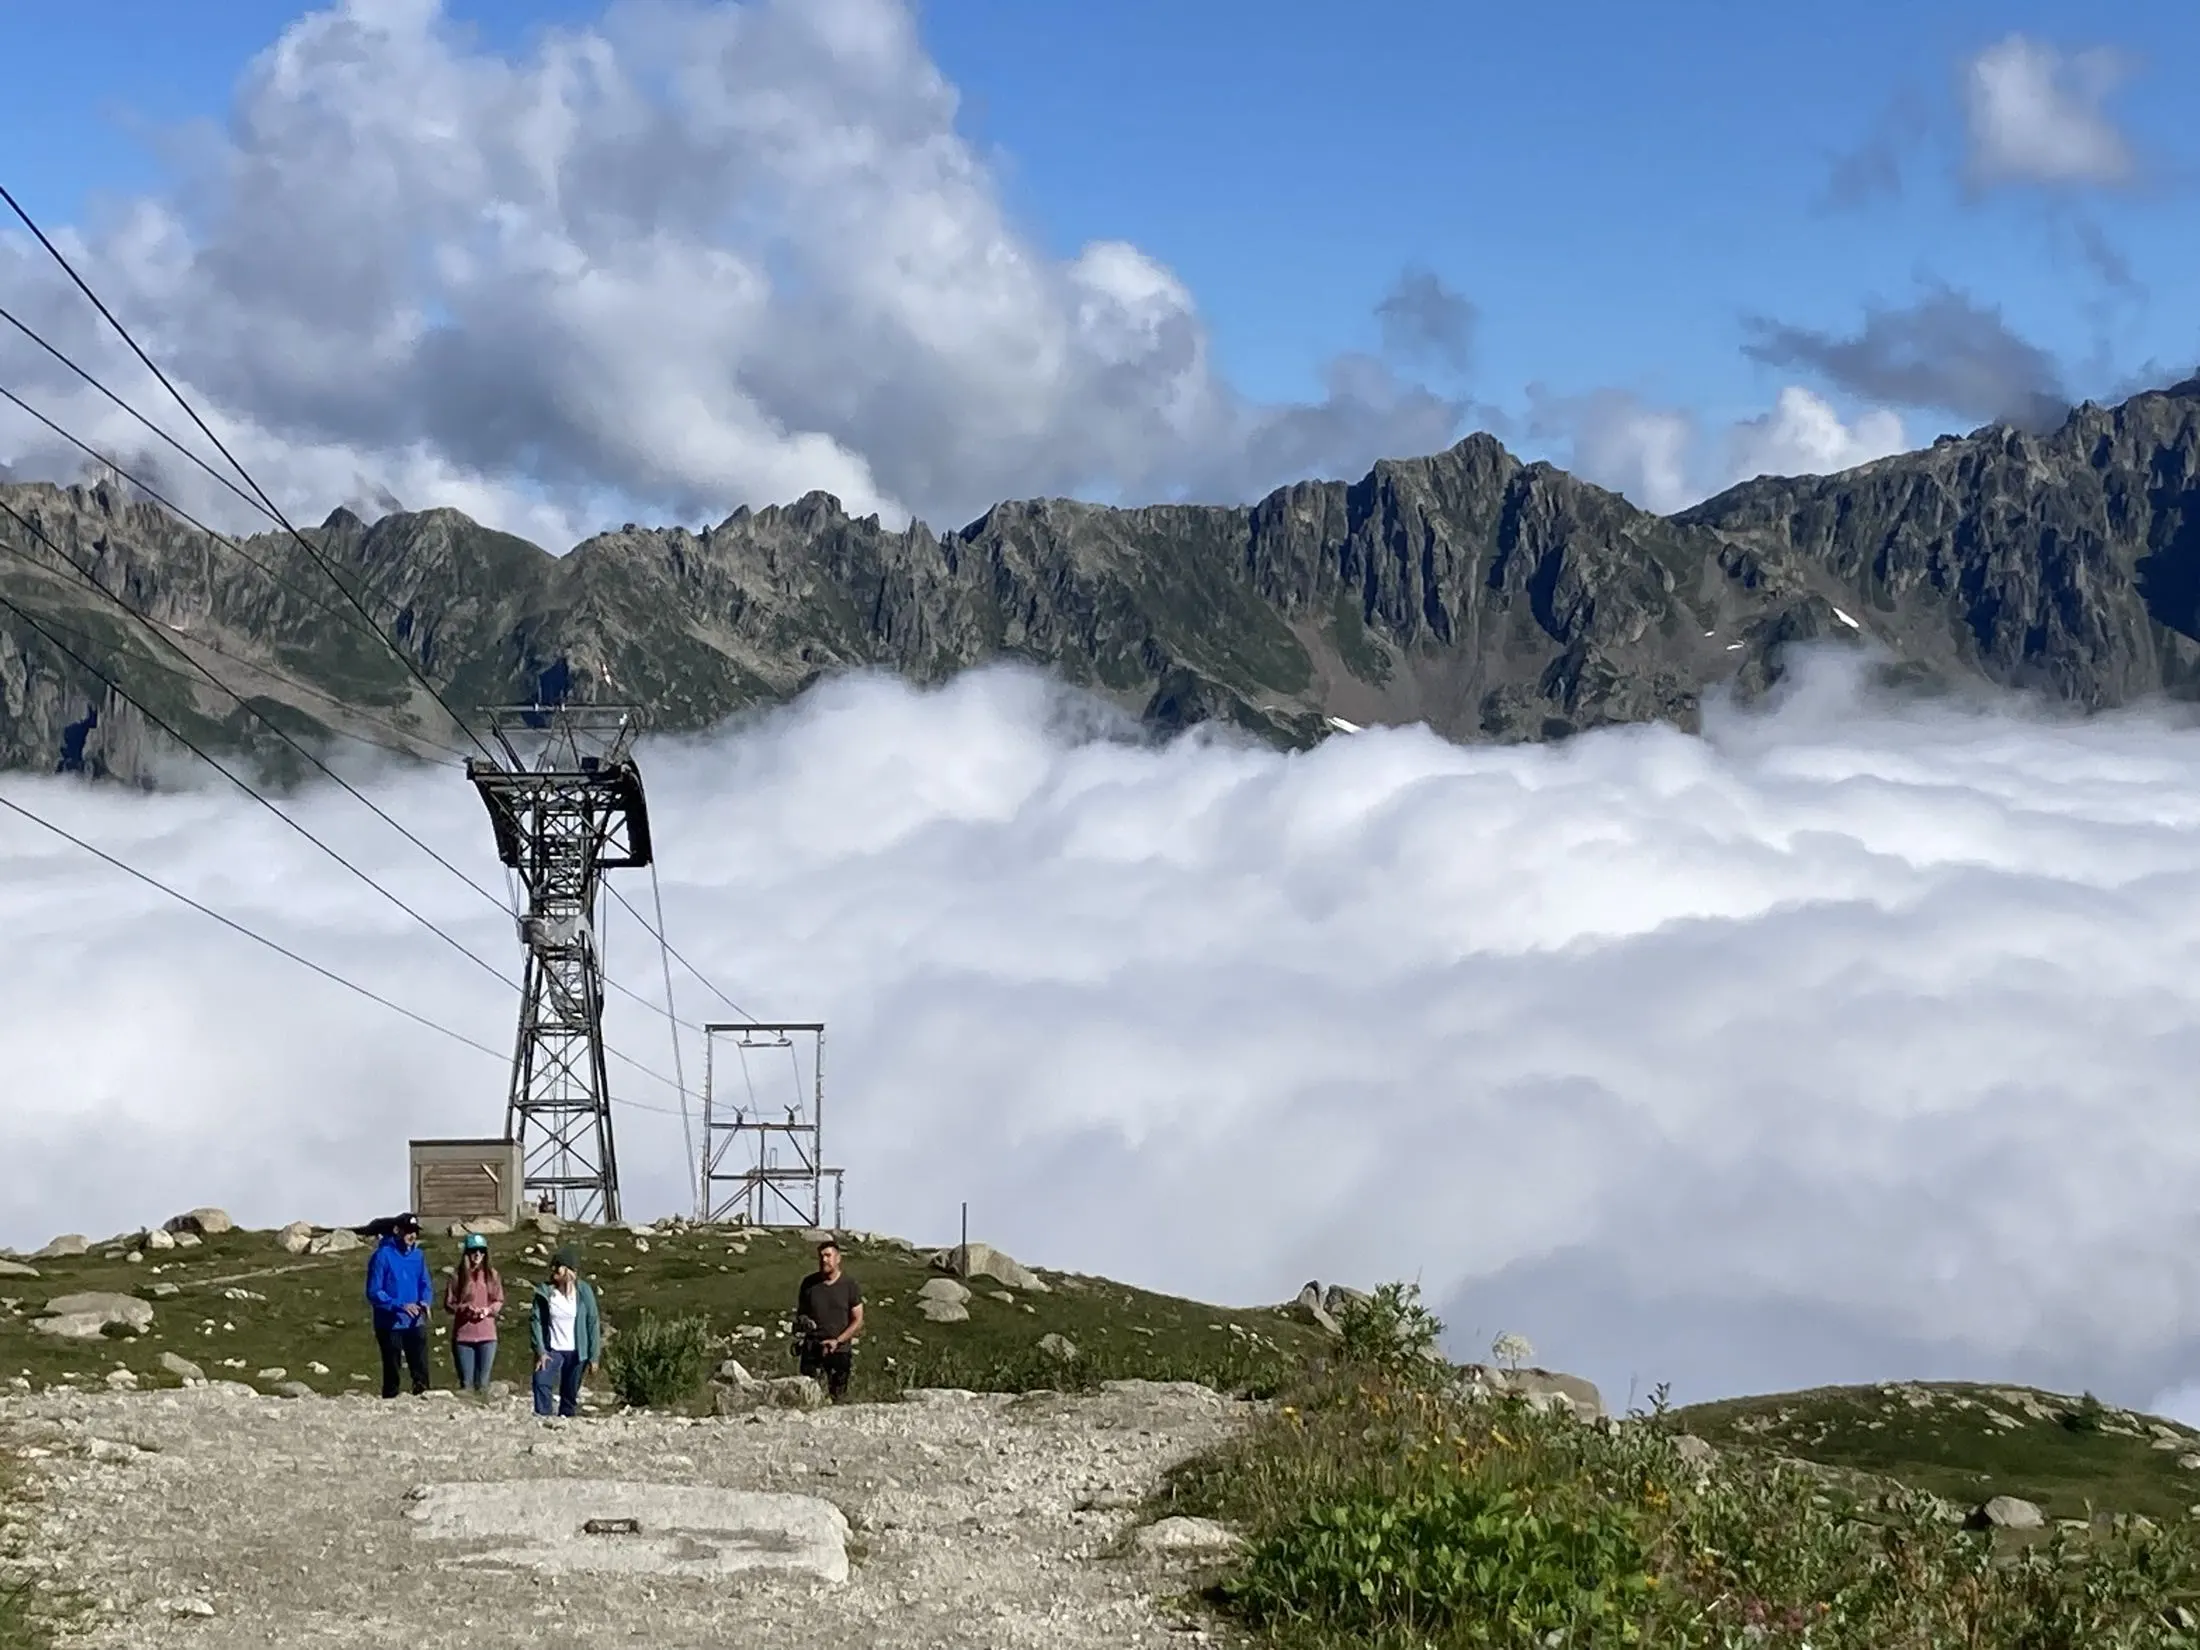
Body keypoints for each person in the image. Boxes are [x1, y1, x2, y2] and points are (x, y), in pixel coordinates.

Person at [365, 1212, 434, 1398]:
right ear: (398, 1231)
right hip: (389, 1323)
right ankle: (390, 1400)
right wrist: (398, 1305)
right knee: (392, 1367)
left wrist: (426, 1301)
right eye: (408, 1231)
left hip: (415, 1321)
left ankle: (423, 1397)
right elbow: (373, 1291)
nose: (412, 1236)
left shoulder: (418, 1256)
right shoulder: (382, 1256)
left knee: (420, 1365)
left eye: (415, 1232)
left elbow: (425, 1283)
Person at [530, 1248, 600, 1419]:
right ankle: (543, 1417)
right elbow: (536, 1321)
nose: (553, 1270)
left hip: (577, 1351)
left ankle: (566, 1422)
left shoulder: (584, 1291)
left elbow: (592, 1322)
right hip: (552, 1349)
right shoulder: (545, 1292)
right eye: (553, 1266)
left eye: (558, 1266)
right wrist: (540, 1351)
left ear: (568, 1269)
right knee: (541, 1381)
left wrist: (593, 1357)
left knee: (569, 1393)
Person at [794, 1237, 863, 1401]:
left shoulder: (849, 1285)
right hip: (812, 1349)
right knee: (807, 1398)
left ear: (838, 1258)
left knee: (838, 1397)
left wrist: (838, 1341)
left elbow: (858, 1320)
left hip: (839, 1350)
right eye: (821, 1256)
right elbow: (801, 1313)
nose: (824, 1260)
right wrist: (804, 1322)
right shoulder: (809, 1284)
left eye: (828, 1255)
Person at [443, 1234, 504, 1393]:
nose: (477, 1255)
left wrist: (488, 1310)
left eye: (481, 1251)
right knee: (466, 1383)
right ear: (467, 1253)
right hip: (464, 1336)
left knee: (483, 1383)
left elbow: (499, 1300)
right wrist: (464, 1308)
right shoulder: (457, 1276)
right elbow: (449, 1304)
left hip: (487, 1336)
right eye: (473, 1251)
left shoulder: (493, 1275)